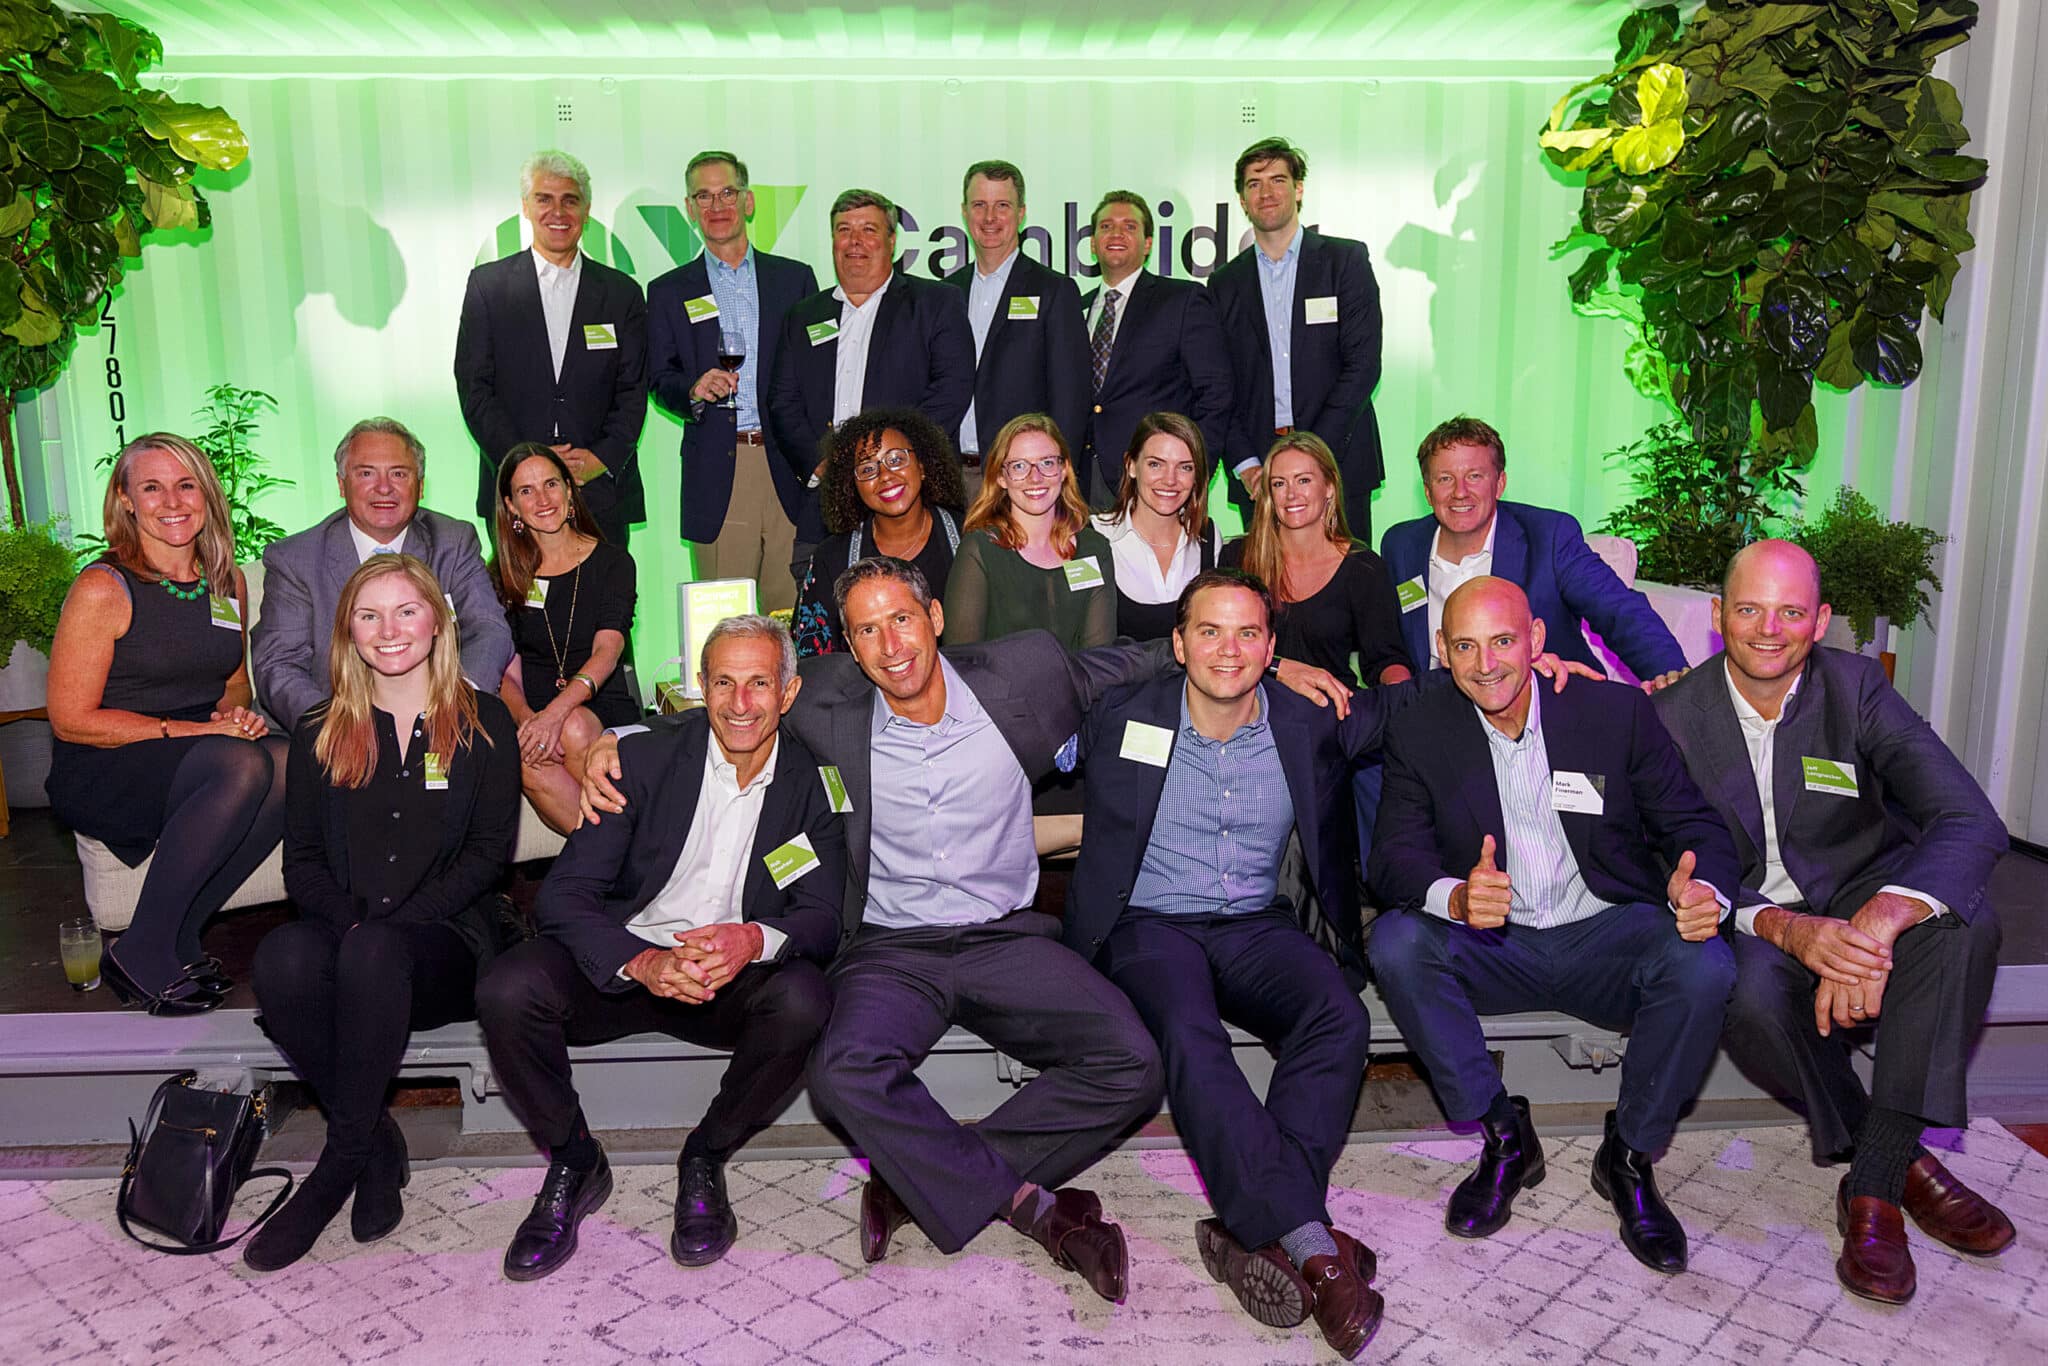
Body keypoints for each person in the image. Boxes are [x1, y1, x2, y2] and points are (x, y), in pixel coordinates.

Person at [1652, 540, 2013, 1305]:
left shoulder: (1856, 689)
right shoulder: (1672, 717)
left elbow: (1968, 817)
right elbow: (1665, 864)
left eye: (1790, 611)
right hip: (1754, 915)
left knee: (1963, 925)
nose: (1769, 628)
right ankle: (1906, 1159)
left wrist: (1882, 921)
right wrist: (1785, 929)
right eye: (1749, 608)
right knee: (1744, 993)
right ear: (1718, 617)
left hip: (1861, 892)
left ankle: (1875, 1188)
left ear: (1819, 622)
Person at [1367, 577, 1739, 1275]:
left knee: (1705, 962)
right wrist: (1454, 897)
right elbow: (1391, 856)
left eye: (1503, 641)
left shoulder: (1612, 712)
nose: (1486, 664)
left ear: (1537, 640)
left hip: (1605, 934)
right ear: (1442, 652)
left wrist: (1704, 888)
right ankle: (1506, 1138)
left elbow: (1692, 823)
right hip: (1493, 944)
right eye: (1466, 646)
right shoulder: (1421, 726)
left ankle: (1627, 1156)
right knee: (1396, 941)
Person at [477, 616, 844, 1279]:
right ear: (700, 686)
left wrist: (749, 939)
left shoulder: (814, 785)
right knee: (508, 987)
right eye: (724, 682)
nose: (740, 704)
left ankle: (705, 1154)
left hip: (725, 984)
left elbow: (823, 917)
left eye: (759, 684)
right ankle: (573, 1157)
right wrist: (643, 962)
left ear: (788, 693)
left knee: (805, 998)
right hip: (621, 966)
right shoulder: (641, 761)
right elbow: (563, 897)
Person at [244, 554, 520, 1272]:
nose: (388, 630)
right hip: (351, 935)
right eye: (369, 615)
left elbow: (489, 857)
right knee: (280, 958)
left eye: (405, 611)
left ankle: (337, 1165)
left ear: (438, 621)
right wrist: (355, 926)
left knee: (374, 952)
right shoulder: (318, 729)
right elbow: (300, 863)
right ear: (347, 632)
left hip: (443, 946)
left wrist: (389, 930)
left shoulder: (485, 720)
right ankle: (374, 1143)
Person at [46, 434, 286, 1014]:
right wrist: (200, 733)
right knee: (241, 761)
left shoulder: (225, 581)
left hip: (194, 750)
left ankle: (177, 933)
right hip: (109, 759)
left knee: (292, 760)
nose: (172, 501)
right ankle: (142, 948)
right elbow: (71, 719)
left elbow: (232, 679)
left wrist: (233, 712)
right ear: (126, 500)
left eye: (186, 485)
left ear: (206, 496)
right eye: (152, 487)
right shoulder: (105, 587)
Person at [1380, 416, 1686, 685]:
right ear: (1428, 491)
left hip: (1545, 705)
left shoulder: (1549, 536)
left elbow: (1619, 612)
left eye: (1475, 476)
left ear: (1499, 484)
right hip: (1437, 712)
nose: (1460, 491)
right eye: (1445, 479)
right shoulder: (1401, 545)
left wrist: (1670, 676)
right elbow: (1389, 644)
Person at [253, 417, 514, 733]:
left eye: (399, 474)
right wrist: (340, 728)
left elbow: (489, 628)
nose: (384, 488)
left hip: (436, 722)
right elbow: (279, 665)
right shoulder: (296, 559)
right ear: (341, 483)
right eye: (366, 473)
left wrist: (455, 704)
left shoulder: (452, 541)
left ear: (420, 486)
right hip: (331, 724)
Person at [767, 188, 975, 578]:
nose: (854, 241)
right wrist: (823, 463)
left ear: (892, 241)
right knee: (824, 614)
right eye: (844, 230)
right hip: (827, 505)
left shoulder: (934, 303)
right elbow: (782, 401)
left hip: (909, 499)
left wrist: (893, 461)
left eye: (868, 230)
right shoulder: (803, 315)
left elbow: (952, 387)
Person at [647, 150, 819, 611]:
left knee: (795, 615)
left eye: (727, 192)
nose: (716, 205)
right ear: (689, 208)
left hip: (789, 466)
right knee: (725, 619)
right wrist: (690, 391)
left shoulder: (795, 280)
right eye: (703, 196)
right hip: (719, 468)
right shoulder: (667, 291)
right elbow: (658, 376)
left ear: (748, 201)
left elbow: (816, 374)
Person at [456, 149, 649, 547]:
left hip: (598, 489)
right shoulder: (487, 287)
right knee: (522, 605)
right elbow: (475, 389)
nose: (557, 211)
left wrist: (601, 459)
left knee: (607, 607)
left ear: (587, 209)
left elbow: (633, 391)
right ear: (526, 207)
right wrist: (524, 464)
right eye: (544, 199)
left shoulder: (621, 293)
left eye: (569, 199)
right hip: (516, 492)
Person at [1208, 137, 1387, 538]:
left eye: (1277, 180)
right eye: (1254, 183)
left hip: (1338, 460)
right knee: (1268, 594)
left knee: (1349, 589)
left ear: (1299, 189)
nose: (1266, 192)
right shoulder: (1223, 284)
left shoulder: (1345, 262)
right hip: (1260, 475)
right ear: (1241, 199)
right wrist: (1246, 464)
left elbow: (1363, 365)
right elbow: (1220, 386)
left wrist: (1310, 457)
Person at [491, 444, 639, 833]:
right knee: (521, 752)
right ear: (511, 506)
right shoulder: (502, 575)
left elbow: (608, 650)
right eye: (526, 491)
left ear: (570, 490)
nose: (542, 499)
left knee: (572, 727)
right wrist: (528, 722)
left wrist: (555, 716)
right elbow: (504, 669)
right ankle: (613, 858)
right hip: (535, 713)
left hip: (599, 709)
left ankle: (610, 858)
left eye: (551, 484)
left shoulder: (612, 562)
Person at [1078, 191, 1233, 507]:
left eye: (1129, 227)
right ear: (1093, 244)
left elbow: (1216, 393)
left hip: (1158, 482)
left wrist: (1193, 468)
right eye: (1106, 226)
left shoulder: (1183, 300)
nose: (1117, 233)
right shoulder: (1072, 308)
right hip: (1081, 482)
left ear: (1148, 244)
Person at [1222, 432, 1410, 690]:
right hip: (1251, 714)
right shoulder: (1237, 558)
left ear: (1330, 488)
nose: (1291, 494)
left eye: (1304, 480)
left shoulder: (1364, 568)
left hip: (1332, 714)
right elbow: (1217, 646)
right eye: (1279, 484)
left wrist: (1401, 691)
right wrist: (1279, 668)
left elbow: (1385, 659)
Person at [944, 160, 1090, 473]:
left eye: (1002, 205)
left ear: (1021, 213)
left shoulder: (1054, 291)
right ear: (964, 211)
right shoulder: (945, 294)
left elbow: (1070, 400)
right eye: (979, 205)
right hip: (953, 476)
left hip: (1025, 477)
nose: (990, 218)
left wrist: (1059, 475)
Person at [792, 408, 969, 657]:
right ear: (852, 485)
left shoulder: (972, 539)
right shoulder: (832, 558)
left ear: (922, 466)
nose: (885, 475)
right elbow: (813, 662)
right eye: (867, 469)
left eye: (896, 459)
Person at [943, 414, 1117, 652]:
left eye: (1046, 463)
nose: (1035, 478)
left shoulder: (1094, 549)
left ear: (1064, 469)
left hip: (1083, 688)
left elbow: (1100, 658)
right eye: (1019, 466)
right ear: (1001, 477)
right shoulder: (980, 550)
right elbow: (962, 659)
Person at [1090, 411, 1222, 642]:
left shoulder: (1208, 537)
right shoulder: (1094, 536)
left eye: (1185, 467)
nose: (1170, 480)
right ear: (1131, 466)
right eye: (1155, 464)